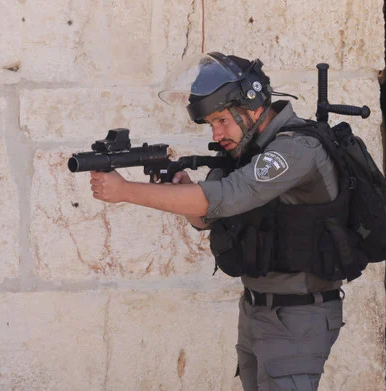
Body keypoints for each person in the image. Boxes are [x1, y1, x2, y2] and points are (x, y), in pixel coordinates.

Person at [89, 52, 346, 390]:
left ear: (253, 106)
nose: (217, 131)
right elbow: (206, 216)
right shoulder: (249, 149)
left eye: (222, 120)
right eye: (211, 123)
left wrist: (124, 191)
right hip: (258, 311)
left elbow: (223, 196)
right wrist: (181, 193)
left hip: (297, 318)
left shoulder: (293, 151)